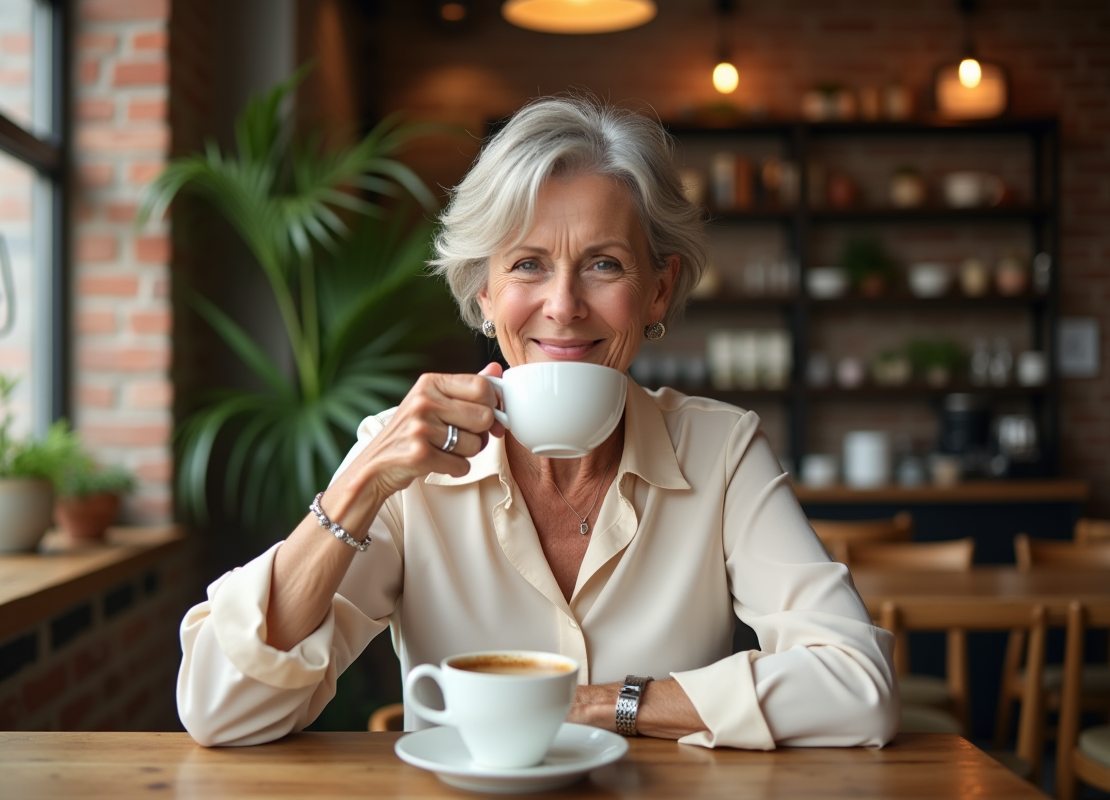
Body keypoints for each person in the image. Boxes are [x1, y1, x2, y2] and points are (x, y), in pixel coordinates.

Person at [177, 96, 899, 749]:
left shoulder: (720, 451)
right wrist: (360, 487)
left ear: (658, 290)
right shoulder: (403, 463)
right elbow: (221, 708)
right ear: (484, 293)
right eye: (527, 265)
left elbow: (856, 687)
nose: (563, 305)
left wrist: (604, 704)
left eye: (604, 265)